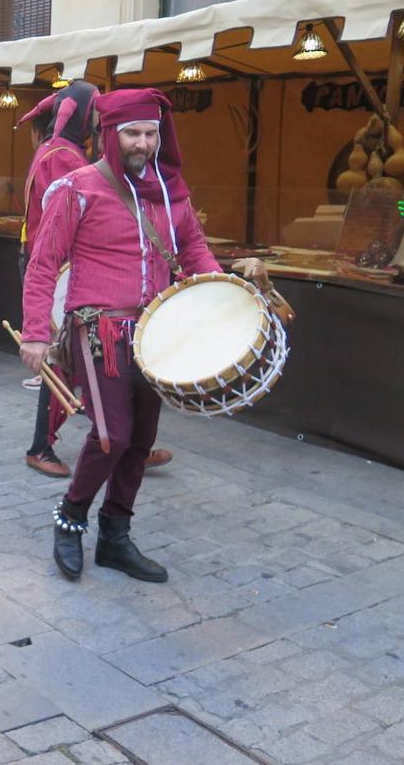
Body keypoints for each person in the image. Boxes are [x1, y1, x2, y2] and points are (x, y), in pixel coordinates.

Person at [20, 88, 269, 584]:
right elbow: (43, 263)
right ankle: (70, 517)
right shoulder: (77, 187)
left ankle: (115, 536)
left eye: (151, 133)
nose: (143, 143)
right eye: (133, 133)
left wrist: (224, 300)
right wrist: (34, 333)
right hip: (98, 330)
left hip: (159, 333)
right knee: (112, 436)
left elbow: (195, 250)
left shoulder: (169, 190)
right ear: (110, 135)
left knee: (141, 440)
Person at [19, 83, 175, 479]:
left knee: (77, 368)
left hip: (72, 272)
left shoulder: (59, 151)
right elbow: (69, 228)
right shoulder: (64, 157)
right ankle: (51, 445)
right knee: (61, 360)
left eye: (149, 134)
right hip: (65, 273)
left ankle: (120, 439)